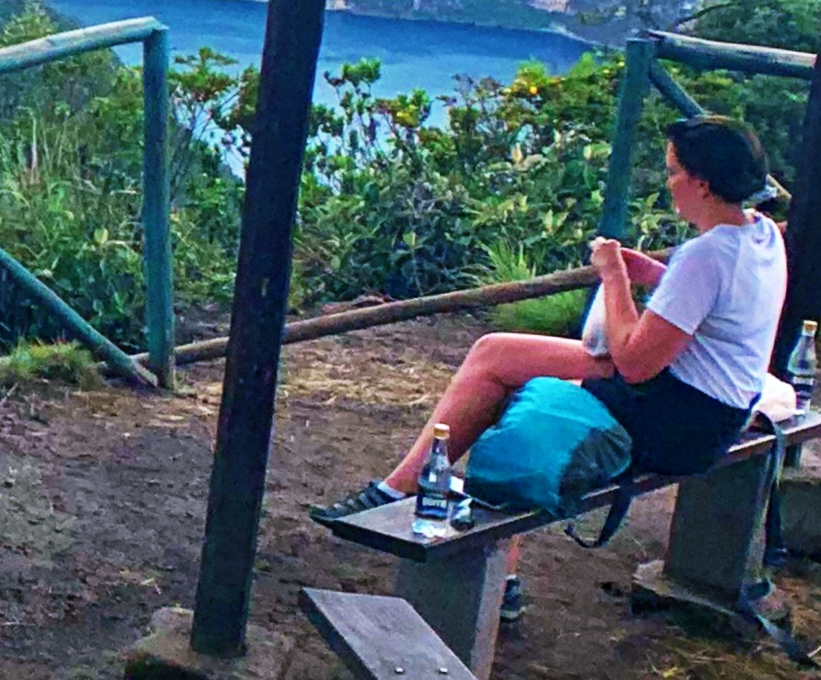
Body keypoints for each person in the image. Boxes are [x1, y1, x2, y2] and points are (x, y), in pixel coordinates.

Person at [311, 114, 789, 623]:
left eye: (673, 172)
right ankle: (480, 555)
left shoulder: (707, 255)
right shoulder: (760, 236)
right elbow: (714, 309)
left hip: (675, 420)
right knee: (501, 362)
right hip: (716, 411)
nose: (668, 182)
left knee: (503, 370)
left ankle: (408, 499)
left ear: (702, 182)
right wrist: (657, 276)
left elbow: (635, 363)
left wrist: (614, 278)